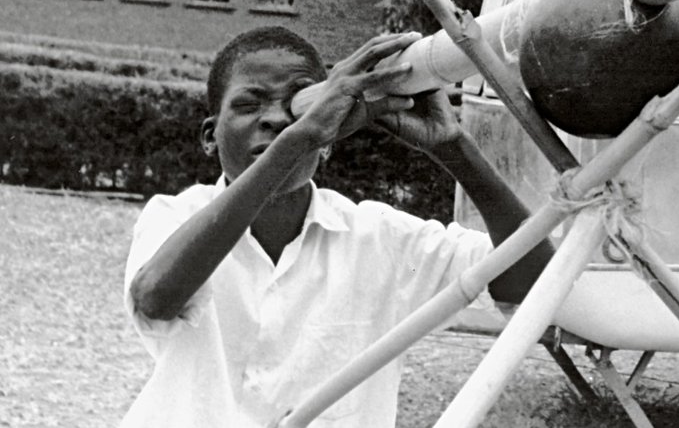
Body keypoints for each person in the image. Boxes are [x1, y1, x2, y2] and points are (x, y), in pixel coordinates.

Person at [120, 26, 553, 427]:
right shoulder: (175, 216)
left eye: (300, 106)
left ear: (329, 142)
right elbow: (155, 297)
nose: (277, 120)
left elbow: (536, 284)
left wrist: (454, 147)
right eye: (250, 105)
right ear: (209, 136)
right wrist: (298, 138)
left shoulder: (381, 238)